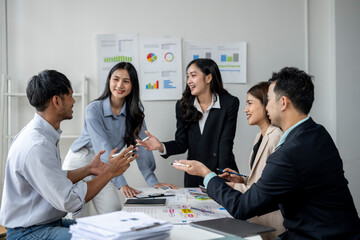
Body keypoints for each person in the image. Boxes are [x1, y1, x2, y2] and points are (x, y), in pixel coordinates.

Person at [172, 67, 360, 239]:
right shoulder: (317, 133)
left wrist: (206, 174)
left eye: (268, 100)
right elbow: (281, 190)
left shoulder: (290, 152)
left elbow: (241, 208)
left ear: (283, 103)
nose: (266, 106)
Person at [0, 70, 137, 240]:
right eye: (70, 96)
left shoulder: (43, 134)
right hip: (29, 232)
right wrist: (110, 172)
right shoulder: (37, 145)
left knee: (110, 230)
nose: (73, 101)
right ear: (56, 101)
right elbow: (70, 201)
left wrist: (89, 169)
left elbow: (54, 179)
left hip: (47, 223)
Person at [62, 62, 176, 215]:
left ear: (133, 85)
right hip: (80, 162)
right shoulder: (94, 109)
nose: (119, 85)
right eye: (116, 79)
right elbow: (102, 147)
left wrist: (153, 182)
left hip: (106, 166)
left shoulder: (136, 112)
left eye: (126, 81)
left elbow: (142, 146)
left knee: (114, 213)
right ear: (109, 80)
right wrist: (122, 184)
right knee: (75, 219)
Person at [137, 58, 240, 187]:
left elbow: (226, 143)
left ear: (208, 78)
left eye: (193, 75)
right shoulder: (183, 106)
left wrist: (224, 177)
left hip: (222, 171)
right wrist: (161, 146)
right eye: (187, 77)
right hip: (194, 173)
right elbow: (182, 143)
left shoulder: (229, 103)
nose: (189, 81)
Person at [218, 82, 285, 240]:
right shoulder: (259, 137)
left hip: (273, 222)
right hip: (258, 219)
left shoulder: (276, 136)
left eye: (250, 103)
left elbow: (269, 188)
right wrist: (241, 178)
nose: (246, 109)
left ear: (265, 104)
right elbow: (262, 178)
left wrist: (233, 186)